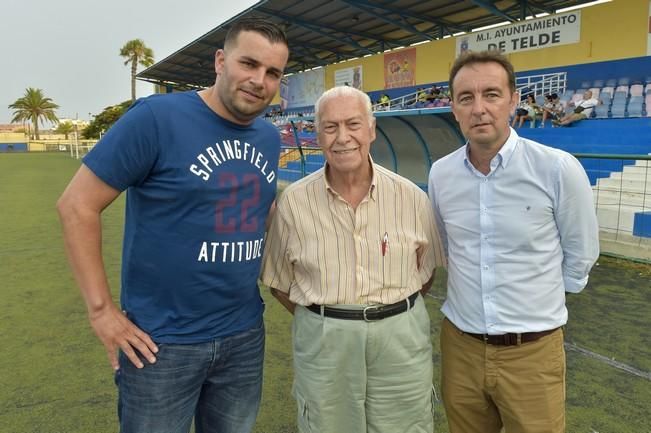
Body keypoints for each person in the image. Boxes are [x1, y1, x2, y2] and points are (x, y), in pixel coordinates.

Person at [56, 18, 289, 433]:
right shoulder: (156, 118)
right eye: (249, 64)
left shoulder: (268, 138)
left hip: (244, 335)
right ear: (220, 61)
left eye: (272, 72)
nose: (259, 80)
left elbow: (260, 213)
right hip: (161, 343)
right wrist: (102, 312)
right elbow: (76, 206)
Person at [428, 50, 599, 433]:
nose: (479, 109)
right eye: (466, 98)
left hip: (532, 353)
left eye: (491, 94)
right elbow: (447, 246)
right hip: (461, 348)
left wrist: (536, 309)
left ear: (513, 100)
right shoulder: (441, 174)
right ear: (453, 107)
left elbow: (581, 256)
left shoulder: (557, 168)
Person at [261, 86, 446, 433]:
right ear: (317, 135)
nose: (342, 137)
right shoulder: (294, 203)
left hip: (400, 339)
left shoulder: (411, 197)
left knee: (407, 425)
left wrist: (385, 315)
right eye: (330, 127)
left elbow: (425, 274)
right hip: (325, 341)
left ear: (372, 129)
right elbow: (280, 283)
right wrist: (331, 318)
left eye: (353, 125)